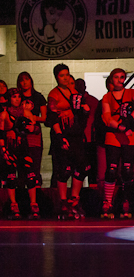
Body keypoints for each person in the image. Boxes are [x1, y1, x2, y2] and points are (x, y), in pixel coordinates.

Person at [101, 68, 134, 218]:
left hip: (130, 134)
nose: (120, 80)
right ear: (111, 80)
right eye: (116, 77)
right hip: (114, 133)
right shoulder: (107, 96)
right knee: (111, 169)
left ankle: (126, 201)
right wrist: (121, 126)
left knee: (127, 169)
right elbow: (107, 117)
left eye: (122, 77)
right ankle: (108, 202)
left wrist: (129, 120)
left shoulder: (132, 93)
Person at [47, 64, 90, 219]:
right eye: (62, 75)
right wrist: (60, 137)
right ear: (56, 77)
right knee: (64, 170)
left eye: (67, 75)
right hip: (62, 134)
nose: (65, 78)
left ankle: (74, 199)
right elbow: (52, 117)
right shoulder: (54, 94)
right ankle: (63, 202)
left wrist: (85, 112)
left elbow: (80, 116)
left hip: (76, 135)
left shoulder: (75, 93)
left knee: (82, 168)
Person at [1, 89, 41, 219]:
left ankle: (33, 204)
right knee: (11, 176)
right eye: (14, 97)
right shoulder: (4, 115)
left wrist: (32, 128)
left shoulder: (26, 112)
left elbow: (36, 128)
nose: (17, 99)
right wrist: (3, 149)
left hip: (23, 147)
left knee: (30, 175)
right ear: (9, 99)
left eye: (19, 97)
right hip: (10, 147)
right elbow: (0, 133)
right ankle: (14, 204)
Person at [17, 72, 47, 203]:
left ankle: (37, 200)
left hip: (34, 134)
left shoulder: (38, 96)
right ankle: (22, 200)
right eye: (22, 80)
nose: (24, 82)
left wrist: (33, 118)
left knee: (34, 167)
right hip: (20, 134)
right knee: (22, 169)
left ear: (31, 80)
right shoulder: (17, 97)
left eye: (26, 79)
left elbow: (45, 118)